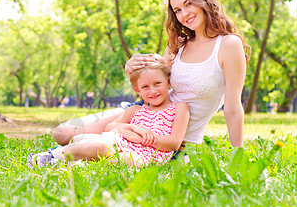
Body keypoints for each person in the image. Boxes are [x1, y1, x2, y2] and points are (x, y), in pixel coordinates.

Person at [52, 0, 249, 150]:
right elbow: (152, 86)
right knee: (63, 133)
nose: (184, 14)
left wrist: (237, 155)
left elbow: (232, 108)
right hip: (144, 113)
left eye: (189, 4)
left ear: (203, 1)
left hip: (172, 133)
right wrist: (131, 70)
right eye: (177, 10)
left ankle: (100, 142)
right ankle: (102, 140)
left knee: (82, 141)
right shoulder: (179, 44)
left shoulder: (228, 45)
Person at [28, 56, 190, 168]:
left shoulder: (179, 108)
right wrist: (132, 129)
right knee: (82, 138)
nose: (153, 91)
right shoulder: (136, 109)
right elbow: (111, 127)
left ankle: (53, 157)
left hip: (144, 156)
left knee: (108, 151)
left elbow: (174, 143)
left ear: (168, 82)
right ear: (137, 90)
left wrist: (143, 139)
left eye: (157, 83)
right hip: (119, 143)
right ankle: (62, 159)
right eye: (145, 87)